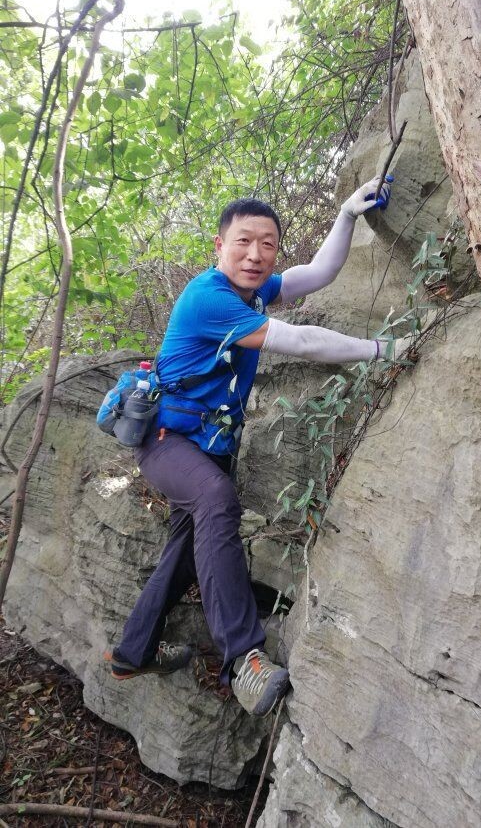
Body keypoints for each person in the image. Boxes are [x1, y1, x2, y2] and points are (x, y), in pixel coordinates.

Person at [107, 175, 396, 717]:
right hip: (168, 441)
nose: (256, 254)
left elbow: (319, 273)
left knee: (185, 552)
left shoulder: (254, 290)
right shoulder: (208, 298)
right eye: (243, 241)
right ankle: (244, 659)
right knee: (216, 500)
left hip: (204, 445)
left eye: (267, 243)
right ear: (219, 247)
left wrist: (347, 215)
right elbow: (303, 341)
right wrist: (381, 348)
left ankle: (132, 652)